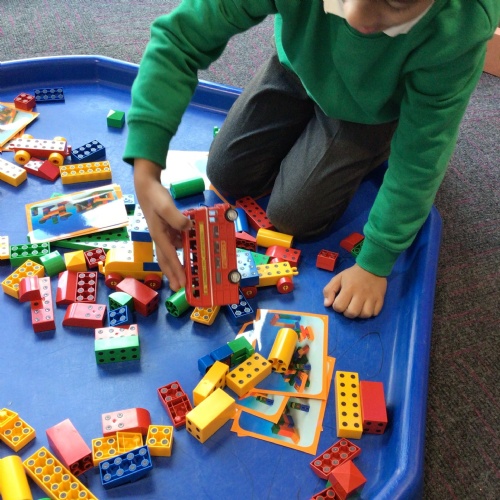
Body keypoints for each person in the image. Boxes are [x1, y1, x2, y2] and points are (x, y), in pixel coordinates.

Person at [124, 0, 499, 318]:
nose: (357, 17)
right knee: (225, 172)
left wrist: (374, 263)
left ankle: (380, 139)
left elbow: (422, 155)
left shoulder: (461, 24)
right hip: (298, 69)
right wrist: (146, 166)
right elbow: (180, 38)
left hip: (371, 112)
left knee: (292, 215)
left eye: (395, 2)